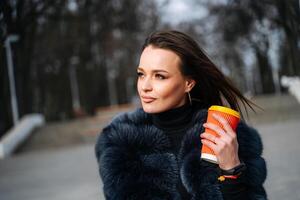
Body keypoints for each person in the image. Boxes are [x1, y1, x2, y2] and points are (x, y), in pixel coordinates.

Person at [95, 30, 267, 200]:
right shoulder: (118, 141)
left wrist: (231, 170)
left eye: (159, 76)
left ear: (189, 83)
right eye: (141, 74)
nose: (145, 86)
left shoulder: (225, 136)